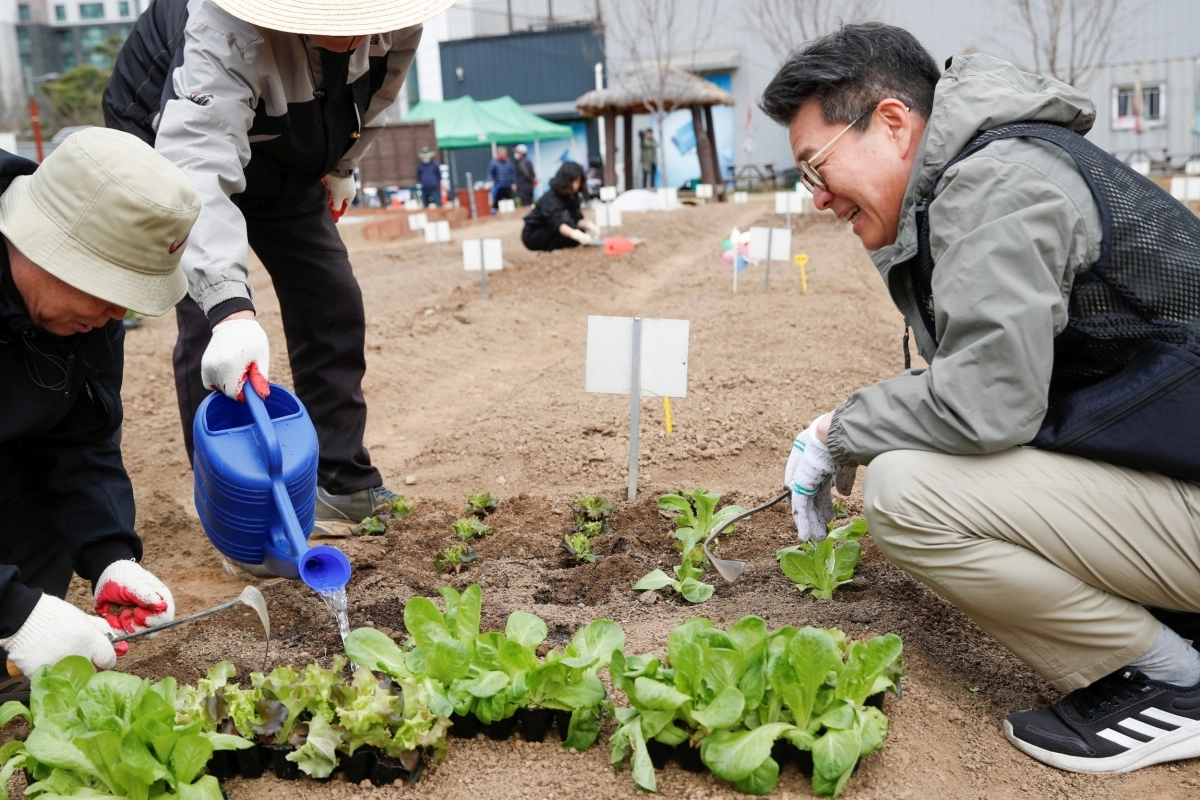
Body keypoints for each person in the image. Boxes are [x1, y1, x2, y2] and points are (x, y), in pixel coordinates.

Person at [761, 23, 1200, 774]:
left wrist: (842, 428)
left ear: (895, 123)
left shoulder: (995, 184)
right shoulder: (989, 171)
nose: (820, 197)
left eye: (817, 166)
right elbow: (992, 372)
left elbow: (986, 406)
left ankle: (1173, 685)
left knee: (909, 493)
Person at [103, 0, 456, 549]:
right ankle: (238, 516)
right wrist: (230, 309)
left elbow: (377, 95)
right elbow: (197, 158)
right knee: (212, 332)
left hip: (286, 153)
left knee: (331, 297)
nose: (352, 32)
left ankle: (339, 479)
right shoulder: (221, 25)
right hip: (171, 142)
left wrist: (343, 163)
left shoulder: (397, 19)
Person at [0, 128, 194, 683]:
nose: (116, 313)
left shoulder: (92, 317)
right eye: (108, 289)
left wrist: (109, 553)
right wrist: (12, 609)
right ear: (45, 246)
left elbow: (82, 436)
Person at [520, 162, 600, 251]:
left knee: (578, 232)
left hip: (555, 229)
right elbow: (556, 223)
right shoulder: (550, 198)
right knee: (571, 233)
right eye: (571, 181)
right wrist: (576, 234)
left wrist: (588, 226)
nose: (575, 185)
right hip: (535, 234)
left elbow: (576, 218)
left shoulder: (572, 197)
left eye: (577, 181)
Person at [487, 146, 516, 212]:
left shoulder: (509, 162)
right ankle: (495, 215)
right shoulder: (494, 162)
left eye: (504, 153)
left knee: (511, 201)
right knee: (496, 202)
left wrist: (513, 183)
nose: (503, 154)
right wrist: (489, 181)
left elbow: (512, 173)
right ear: (498, 153)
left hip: (508, 186)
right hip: (498, 185)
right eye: (501, 153)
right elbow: (490, 173)